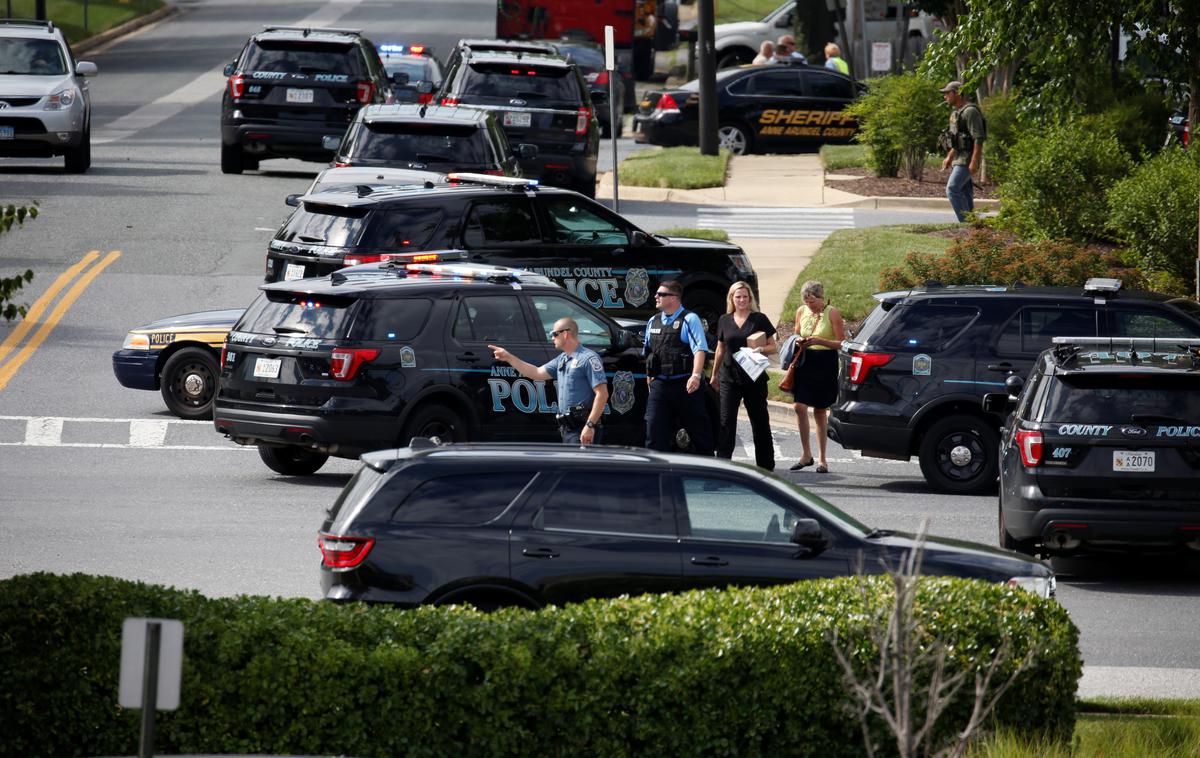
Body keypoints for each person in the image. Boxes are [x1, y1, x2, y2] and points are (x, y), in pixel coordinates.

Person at [489, 317, 608, 445]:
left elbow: (602, 394)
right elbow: (536, 373)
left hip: (583, 428)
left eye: (554, 334)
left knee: (581, 465)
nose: (552, 338)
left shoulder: (588, 359)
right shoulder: (562, 359)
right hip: (568, 428)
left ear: (565, 334)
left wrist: (590, 425)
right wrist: (508, 357)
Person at [709, 281, 777, 471]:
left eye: (745, 297)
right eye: (738, 296)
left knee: (760, 421)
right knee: (726, 422)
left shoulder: (759, 319)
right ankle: (723, 465)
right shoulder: (724, 319)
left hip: (754, 377)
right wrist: (714, 375)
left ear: (750, 299)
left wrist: (760, 348)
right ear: (732, 298)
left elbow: (774, 346)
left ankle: (765, 467)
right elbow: (720, 349)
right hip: (729, 378)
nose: (741, 300)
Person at [643, 280, 714, 455]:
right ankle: (656, 473)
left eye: (661, 294)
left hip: (685, 384)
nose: (656, 297)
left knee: (699, 430)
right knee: (654, 429)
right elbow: (649, 352)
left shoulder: (689, 319)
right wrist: (650, 380)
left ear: (674, 298)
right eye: (657, 294)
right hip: (660, 385)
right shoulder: (653, 321)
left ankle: (710, 469)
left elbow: (699, 349)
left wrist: (696, 375)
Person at [788, 280, 845, 473]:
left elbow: (841, 343)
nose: (809, 305)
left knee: (820, 411)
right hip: (805, 361)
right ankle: (806, 454)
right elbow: (795, 334)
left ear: (821, 298)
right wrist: (798, 340)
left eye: (812, 302)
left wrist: (821, 341)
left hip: (825, 362)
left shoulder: (832, 313)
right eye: (806, 302)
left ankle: (822, 459)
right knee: (799, 406)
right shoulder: (801, 311)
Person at [939, 80, 987, 222]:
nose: (945, 97)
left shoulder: (970, 112)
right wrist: (949, 157)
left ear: (957, 93)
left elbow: (978, 138)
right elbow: (958, 139)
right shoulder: (957, 113)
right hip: (958, 157)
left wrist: (974, 161)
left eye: (947, 93)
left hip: (967, 158)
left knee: (952, 189)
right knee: (965, 192)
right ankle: (974, 226)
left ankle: (966, 223)